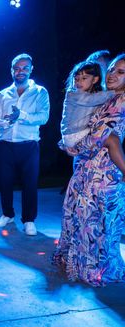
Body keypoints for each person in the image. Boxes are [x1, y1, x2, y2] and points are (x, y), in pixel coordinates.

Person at [53, 54, 125, 286]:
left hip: (103, 175)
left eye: (120, 72)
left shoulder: (121, 101)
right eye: (112, 69)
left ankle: (96, 270)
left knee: (96, 227)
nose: (112, 74)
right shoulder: (108, 98)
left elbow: (101, 137)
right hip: (86, 170)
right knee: (79, 222)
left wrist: (72, 148)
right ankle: (78, 264)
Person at [0, 53, 50, 236]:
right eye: (17, 68)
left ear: (31, 69)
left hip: (29, 144)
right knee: (5, 182)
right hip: (5, 144)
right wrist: (3, 122)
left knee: (29, 184)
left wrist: (21, 116)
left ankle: (29, 220)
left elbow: (43, 117)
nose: (20, 71)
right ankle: (7, 214)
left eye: (24, 68)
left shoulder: (40, 92)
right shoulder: (3, 94)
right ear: (11, 71)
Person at [59, 61, 125, 175]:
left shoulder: (118, 100)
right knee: (111, 139)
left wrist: (69, 145)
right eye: (77, 78)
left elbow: (96, 136)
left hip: (100, 171)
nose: (79, 82)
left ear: (95, 79)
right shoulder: (74, 94)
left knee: (111, 139)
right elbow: (91, 102)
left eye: (84, 78)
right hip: (78, 146)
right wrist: (65, 144)